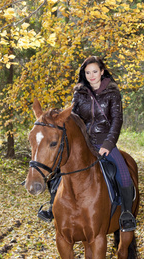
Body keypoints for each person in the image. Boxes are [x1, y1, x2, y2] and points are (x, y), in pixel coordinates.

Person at [38, 56, 137, 232]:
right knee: (56, 171)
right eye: (88, 72)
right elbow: (72, 118)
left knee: (123, 173)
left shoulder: (112, 93)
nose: (91, 76)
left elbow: (116, 121)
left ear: (102, 72)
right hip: (82, 144)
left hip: (104, 142)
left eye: (95, 72)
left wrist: (108, 143)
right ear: (84, 74)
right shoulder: (79, 93)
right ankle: (52, 206)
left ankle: (126, 215)